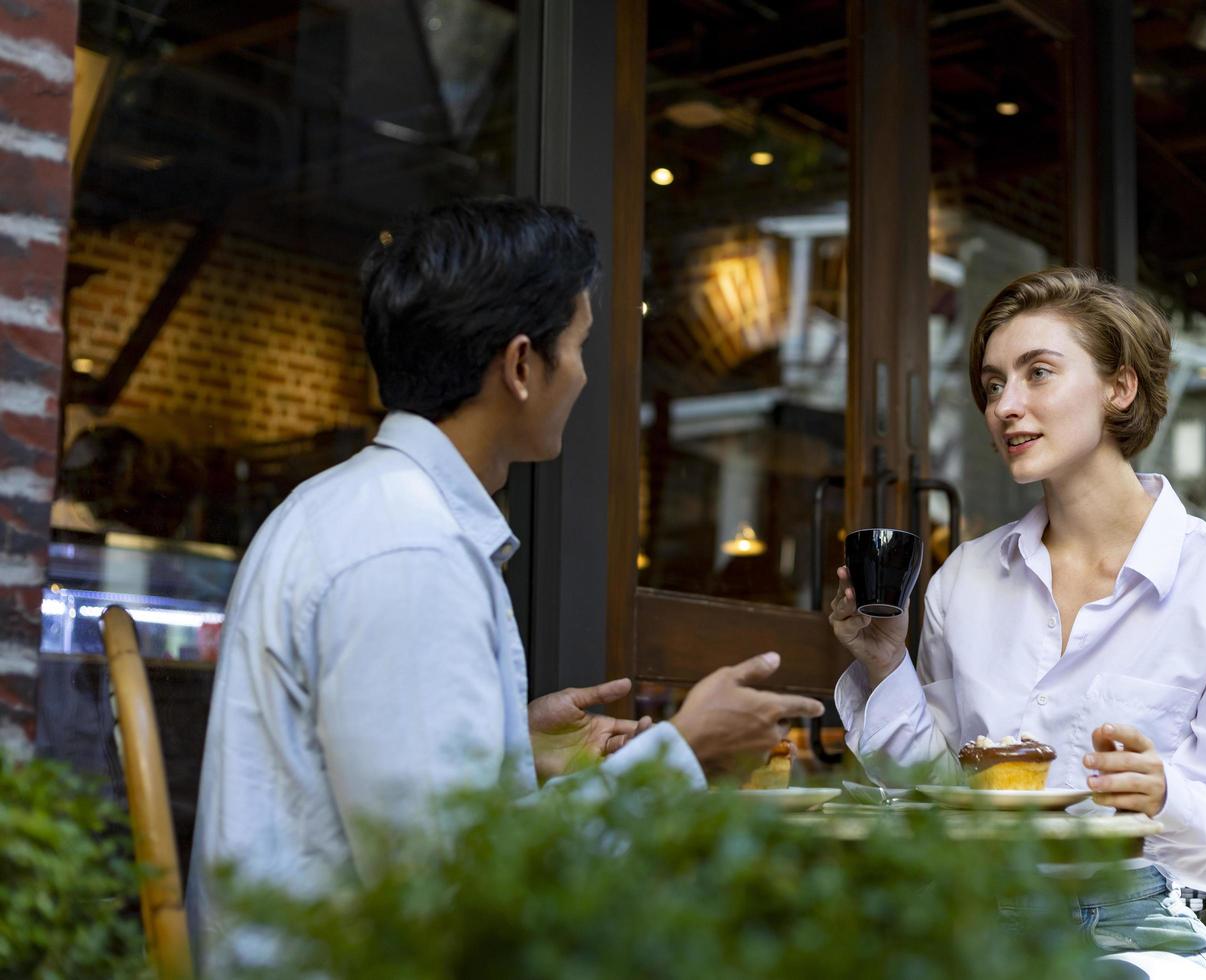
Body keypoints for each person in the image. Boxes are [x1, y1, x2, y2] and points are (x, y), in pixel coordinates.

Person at [186, 198, 823, 968]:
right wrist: (685, 752)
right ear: (521, 366)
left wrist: (507, 747)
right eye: (581, 345)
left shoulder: (352, 508)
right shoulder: (409, 552)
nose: (586, 374)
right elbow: (462, 901)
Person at [829, 268, 1206, 979]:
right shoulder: (965, 576)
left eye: (1038, 373)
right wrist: (885, 663)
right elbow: (933, 792)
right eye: (993, 385)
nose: (1005, 407)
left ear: (1121, 387)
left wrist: (1165, 794)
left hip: (1138, 930)